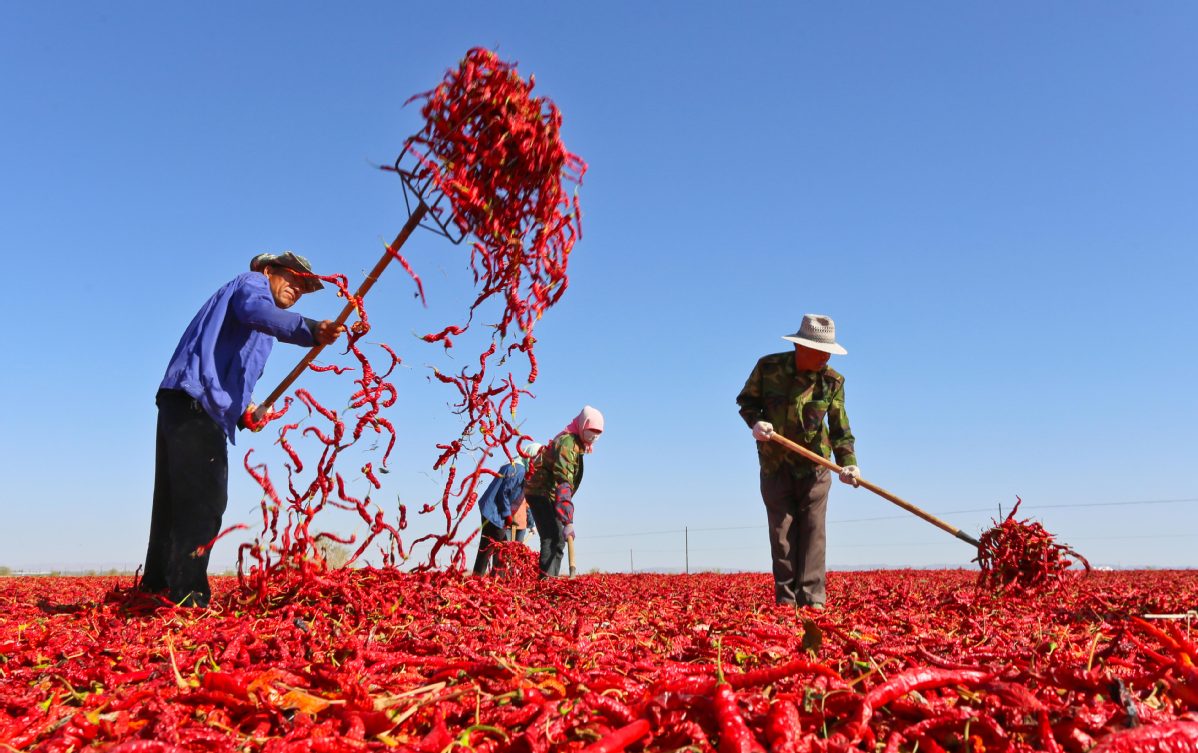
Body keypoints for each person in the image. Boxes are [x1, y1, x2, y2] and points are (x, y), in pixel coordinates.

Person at [141, 251, 346, 607]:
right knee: (204, 500)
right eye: (293, 279)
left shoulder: (264, 332)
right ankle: (188, 597)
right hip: (196, 401)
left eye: (304, 287)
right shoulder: (252, 286)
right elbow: (254, 310)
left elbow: (235, 378)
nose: (298, 289)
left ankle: (156, 588)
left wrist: (246, 411)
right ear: (269, 270)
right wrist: (311, 329)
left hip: (189, 401)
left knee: (173, 502)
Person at [735, 314, 860, 609]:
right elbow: (747, 401)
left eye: (829, 351)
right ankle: (786, 602)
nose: (826, 357)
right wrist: (756, 423)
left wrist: (849, 463)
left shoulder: (832, 381)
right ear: (801, 347)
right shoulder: (768, 368)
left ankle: (813, 601)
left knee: (813, 532)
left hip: (815, 468)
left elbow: (840, 428)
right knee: (782, 534)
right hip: (775, 464)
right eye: (821, 351)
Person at [523, 406, 604, 577]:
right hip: (540, 491)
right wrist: (568, 520)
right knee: (553, 537)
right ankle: (546, 583)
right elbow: (564, 482)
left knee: (557, 538)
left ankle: (549, 580)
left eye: (598, 433)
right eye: (592, 431)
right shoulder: (568, 443)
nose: (594, 436)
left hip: (548, 493)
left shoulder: (577, 445)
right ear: (582, 425)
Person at [471, 442, 543, 575]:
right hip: (494, 512)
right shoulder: (519, 470)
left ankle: (483, 577)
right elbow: (503, 493)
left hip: (491, 509)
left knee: (492, 546)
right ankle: (492, 578)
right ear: (530, 456)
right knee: (497, 548)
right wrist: (507, 515)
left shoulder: (515, 465)